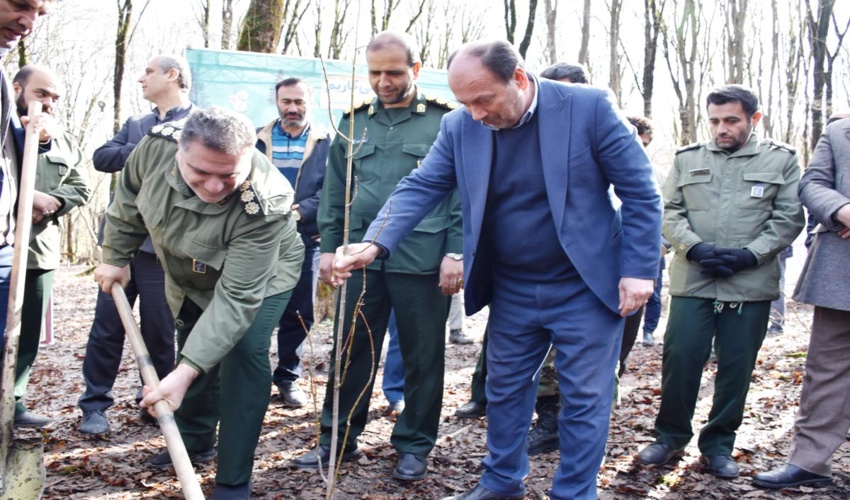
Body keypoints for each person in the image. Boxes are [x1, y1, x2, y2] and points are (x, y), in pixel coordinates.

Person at [332, 40, 661, 500]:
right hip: (513, 285)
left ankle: (574, 492)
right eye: (466, 103)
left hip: (586, 285)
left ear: (520, 79)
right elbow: (422, 184)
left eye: (483, 99)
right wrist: (375, 240)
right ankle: (501, 483)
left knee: (585, 399)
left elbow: (642, 192)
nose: (476, 114)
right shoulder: (458, 125)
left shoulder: (588, 108)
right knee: (504, 391)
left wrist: (640, 270)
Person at [95, 106, 303, 499]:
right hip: (188, 269)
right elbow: (128, 200)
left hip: (261, 276)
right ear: (179, 152)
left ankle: (233, 477)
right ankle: (193, 438)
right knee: (193, 336)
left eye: (228, 175)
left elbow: (236, 299)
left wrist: (185, 370)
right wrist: (115, 256)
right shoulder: (153, 147)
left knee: (240, 351)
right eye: (201, 173)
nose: (213, 187)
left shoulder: (265, 204)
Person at [292, 31, 463, 482]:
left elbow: (464, 192)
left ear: (417, 71)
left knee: (423, 357)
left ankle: (413, 444)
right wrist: (329, 248)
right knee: (351, 352)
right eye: (374, 73)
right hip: (357, 261)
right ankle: (337, 439)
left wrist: (456, 251)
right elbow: (333, 193)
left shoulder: (446, 122)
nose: (383, 82)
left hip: (422, 259)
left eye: (394, 72)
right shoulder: (352, 122)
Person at [637, 85, 804, 480]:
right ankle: (670, 437)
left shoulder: (781, 160)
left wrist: (751, 254)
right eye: (714, 121)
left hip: (750, 283)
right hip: (694, 279)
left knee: (735, 367)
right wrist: (692, 248)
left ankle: (718, 445)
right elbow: (670, 210)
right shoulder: (688, 158)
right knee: (680, 359)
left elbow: (789, 216)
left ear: (753, 119)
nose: (721, 129)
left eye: (731, 120)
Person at [453, 61, 590, 423]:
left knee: (585, 385)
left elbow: (630, 197)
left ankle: (558, 428)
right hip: (515, 281)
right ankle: (504, 467)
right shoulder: (475, 124)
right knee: (508, 378)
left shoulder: (593, 119)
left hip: (582, 280)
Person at [79, 55, 194, 435]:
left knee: (161, 331)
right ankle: (95, 405)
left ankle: (155, 399)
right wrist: (148, 146)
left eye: (148, 71)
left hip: (167, 250)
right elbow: (102, 158)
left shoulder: (198, 124)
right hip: (123, 247)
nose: (141, 78)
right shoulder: (136, 125)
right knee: (107, 327)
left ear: (172, 75)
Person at [751, 115, 850, 490]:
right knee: (826, 369)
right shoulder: (839, 131)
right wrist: (841, 210)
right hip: (843, 266)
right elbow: (812, 183)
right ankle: (809, 462)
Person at [13, 65, 92, 427]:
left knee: (26, 333)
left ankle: (14, 403)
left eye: (55, 98)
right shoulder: (4, 132)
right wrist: (26, 197)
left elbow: (80, 186)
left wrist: (52, 201)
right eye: (41, 94)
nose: (48, 104)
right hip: (4, 246)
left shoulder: (63, 140)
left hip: (38, 252)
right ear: (17, 89)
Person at [255, 77, 329, 408]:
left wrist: (301, 212)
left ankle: (287, 377)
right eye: (286, 101)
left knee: (299, 311)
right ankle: (252, 379)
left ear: (309, 102)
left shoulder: (328, 142)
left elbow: (336, 190)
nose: (293, 108)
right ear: (276, 102)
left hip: (305, 237)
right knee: (251, 308)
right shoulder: (255, 140)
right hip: (257, 235)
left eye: (299, 101)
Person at [0, 0, 58, 343]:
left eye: (39, 13)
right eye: (20, 5)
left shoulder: (2, 79)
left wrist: (33, 139)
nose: (29, 23)